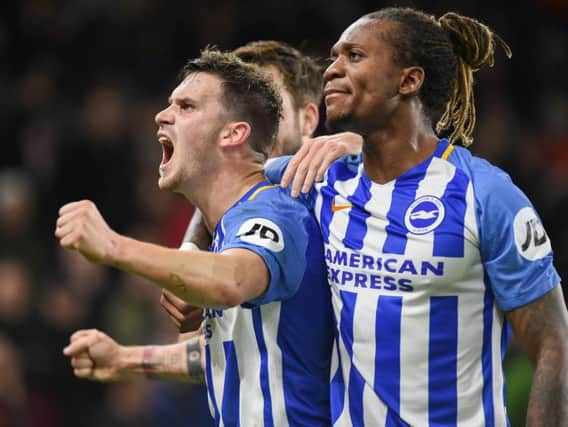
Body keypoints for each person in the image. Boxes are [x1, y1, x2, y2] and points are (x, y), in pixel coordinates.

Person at [265, 7, 567, 426]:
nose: (331, 70)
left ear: (409, 79)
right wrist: (195, 241)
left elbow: (553, 341)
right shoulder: (320, 177)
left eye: (353, 56)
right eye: (333, 57)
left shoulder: (486, 195)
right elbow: (228, 185)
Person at [56, 48, 335, 426]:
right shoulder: (228, 226)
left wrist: (112, 246)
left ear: (234, 133)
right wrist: (125, 360)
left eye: (186, 107)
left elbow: (231, 280)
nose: (161, 115)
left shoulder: (276, 214)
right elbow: (230, 351)